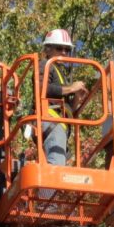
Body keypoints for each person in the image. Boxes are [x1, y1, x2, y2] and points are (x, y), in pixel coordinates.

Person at [39, 29, 87, 166]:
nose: (64, 53)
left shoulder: (59, 72)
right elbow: (42, 89)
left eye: (67, 50)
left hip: (59, 123)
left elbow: (67, 107)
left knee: (61, 167)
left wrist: (76, 97)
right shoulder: (45, 64)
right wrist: (71, 88)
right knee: (56, 166)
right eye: (59, 48)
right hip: (50, 120)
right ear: (48, 49)